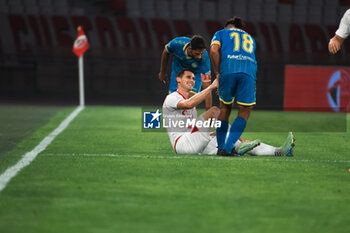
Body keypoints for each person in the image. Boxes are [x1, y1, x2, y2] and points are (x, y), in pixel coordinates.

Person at [162, 69, 295, 156]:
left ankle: (279, 151)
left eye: (193, 78)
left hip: (194, 143)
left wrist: (214, 132)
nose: (192, 80)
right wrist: (212, 86)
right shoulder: (172, 98)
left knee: (234, 143)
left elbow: (190, 124)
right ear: (178, 80)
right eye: (188, 77)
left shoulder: (190, 102)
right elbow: (188, 104)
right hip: (182, 144)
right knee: (214, 111)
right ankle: (234, 144)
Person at [210, 17, 258, 156]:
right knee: (244, 111)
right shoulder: (250, 38)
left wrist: (218, 72)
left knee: (224, 108)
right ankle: (229, 147)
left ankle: (220, 148)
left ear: (228, 26)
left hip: (228, 70)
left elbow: (213, 51)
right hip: (247, 72)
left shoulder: (221, 33)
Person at [159, 35, 212, 110]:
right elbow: (165, 52)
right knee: (174, 99)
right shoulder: (177, 43)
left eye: (201, 54)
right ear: (190, 49)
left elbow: (207, 86)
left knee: (190, 101)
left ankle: (188, 120)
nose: (200, 57)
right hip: (178, 71)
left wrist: (208, 110)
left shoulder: (204, 58)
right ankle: (173, 120)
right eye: (197, 54)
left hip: (196, 74)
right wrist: (162, 72)